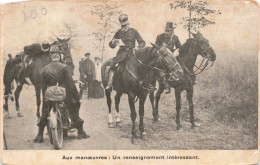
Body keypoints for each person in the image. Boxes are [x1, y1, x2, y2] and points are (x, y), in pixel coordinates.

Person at [34, 45, 89, 143]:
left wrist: (45, 99)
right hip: (63, 95)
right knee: (73, 108)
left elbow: (43, 88)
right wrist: (76, 97)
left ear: (51, 56)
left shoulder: (44, 70)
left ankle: (39, 135)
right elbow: (71, 85)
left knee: (45, 112)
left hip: (50, 96)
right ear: (59, 55)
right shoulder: (64, 67)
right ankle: (80, 132)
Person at [105, 14, 146, 91]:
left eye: (125, 25)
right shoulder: (118, 32)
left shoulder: (134, 31)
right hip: (121, 54)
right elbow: (111, 45)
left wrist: (137, 47)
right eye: (122, 26)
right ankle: (110, 84)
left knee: (142, 65)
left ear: (128, 23)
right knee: (114, 66)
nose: (124, 27)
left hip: (132, 53)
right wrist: (113, 42)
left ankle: (144, 84)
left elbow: (142, 42)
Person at [155, 22, 182, 94]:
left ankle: (180, 77)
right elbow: (155, 47)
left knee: (178, 63)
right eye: (165, 30)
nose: (166, 32)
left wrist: (175, 52)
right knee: (161, 66)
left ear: (172, 31)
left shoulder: (175, 37)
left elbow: (179, 47)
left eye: (168, 31)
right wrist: (161, 47)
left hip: (171, 55)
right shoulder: (159, 37)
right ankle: (166, 84)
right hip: (162, 56)